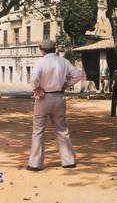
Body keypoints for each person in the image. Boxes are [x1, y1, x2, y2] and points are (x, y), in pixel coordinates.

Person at [27, 41, 85, 171]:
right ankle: (68, 160)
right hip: (59, 97)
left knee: (38, 130)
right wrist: (66, 84)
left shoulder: (40, 63)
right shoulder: (63, 61)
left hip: (43, 98)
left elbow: (34, 79)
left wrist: (37, 88)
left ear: (42, 50)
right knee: (61, 129)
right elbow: (79, 74)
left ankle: (35, 163)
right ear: (54, 49)